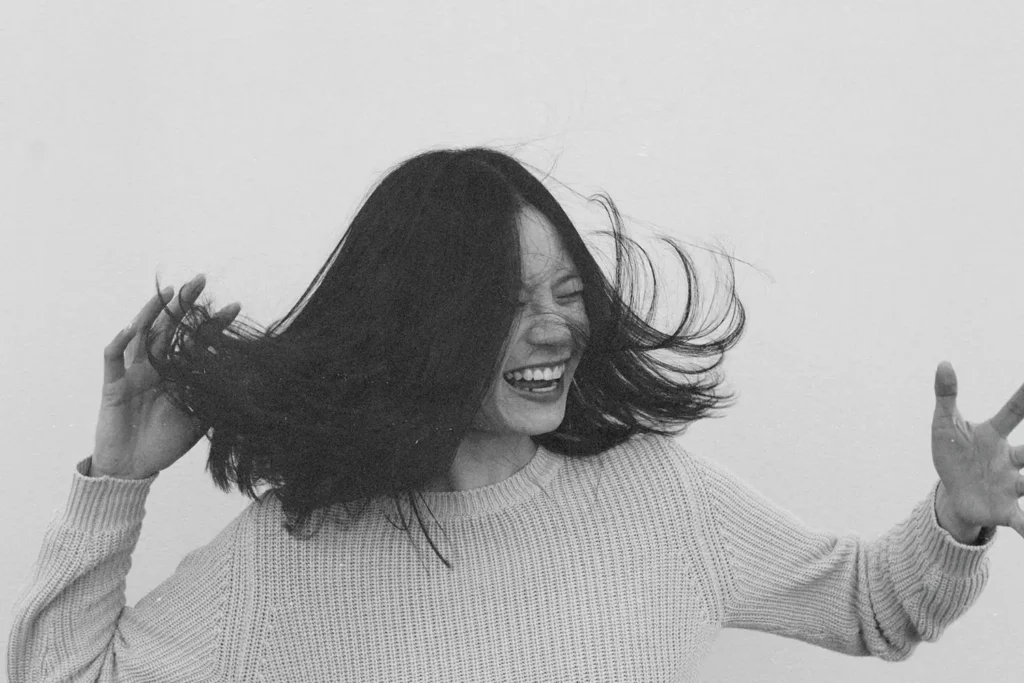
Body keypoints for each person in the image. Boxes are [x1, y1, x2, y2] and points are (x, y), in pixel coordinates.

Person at [8, 147, 1022, 682]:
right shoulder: (290, 553)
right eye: (506, 300)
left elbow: (867, 601)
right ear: (423, 324)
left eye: (566, 291)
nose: (554, 329)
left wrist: (956, 515)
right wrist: (116, 482)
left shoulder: (654, 497)